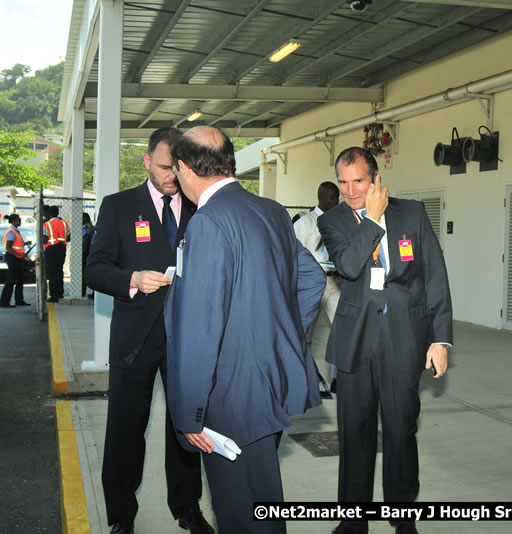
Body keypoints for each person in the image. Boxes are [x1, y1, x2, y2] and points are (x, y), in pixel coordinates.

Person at [165, 125, 325, 533]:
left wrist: (190, 414)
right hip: (269, 384)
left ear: (185, 169)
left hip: (229, 396)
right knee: (262, 500)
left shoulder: (208, 222)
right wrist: (279, 337)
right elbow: (312, 280)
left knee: (239, 512)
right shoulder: (271, 211)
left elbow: (201, 328)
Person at [318, 147, 453, 534]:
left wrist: (440, 339)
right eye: (343, 182)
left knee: (400, 430)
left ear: (376, 179)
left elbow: (434, 276)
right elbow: (349, 266)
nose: (350, 190)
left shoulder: (412, 213)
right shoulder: (333, 220)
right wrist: (372, 220)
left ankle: (403, 515)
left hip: (404, 338)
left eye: (358, 181)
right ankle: (353, 520)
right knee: (355, 433)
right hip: (356, 339)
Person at [85, 127, 213, 534]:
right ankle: (122, 514)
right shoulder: (120, 206)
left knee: (185, 427)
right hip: (134, 339)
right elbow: (95, 269)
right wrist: (132, 278)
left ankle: (187, 506)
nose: (171, 176)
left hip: (186, 338)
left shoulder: (199, 207)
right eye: (163, 167)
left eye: (177, 167)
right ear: (146, 161)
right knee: (125, 429)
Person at [293, 181, 342, 391]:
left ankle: (338, 378)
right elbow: (293, 255)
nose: (335, 202)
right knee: (305, 333)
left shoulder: (339, 222)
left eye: (337, 198)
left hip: (335, 282)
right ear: (321, 197)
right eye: (332, 197)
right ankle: (301, 378)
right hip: (312, 284)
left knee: (341, 330)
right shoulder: (305, 223)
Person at [1, 214, 32, 308]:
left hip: (17, 258)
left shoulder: (16, 231)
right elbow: (9, 247)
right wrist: (19, 255)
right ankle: (4, 301)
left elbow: (16, 244)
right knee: (11, 279)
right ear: (14, 221)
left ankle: (19, 300)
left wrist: (25, 243)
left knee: (20, 278)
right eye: (19, 220)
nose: (20, 222)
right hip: (13, 257)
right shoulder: (11, 232)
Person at [43, 204, 70, 302]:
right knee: (59, 270)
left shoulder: (47, 224)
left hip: (51, 249)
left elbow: (45, 239)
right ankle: (60, 293)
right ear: (58, 213)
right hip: (62, 248)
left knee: (51, 272)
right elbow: (69, 237)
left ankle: (54, 295)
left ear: (49, 214)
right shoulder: (64, 223)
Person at [81, 212, 96, 297]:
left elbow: (86, 241)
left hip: (87, 252)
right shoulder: (87, 227)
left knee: (84, 272)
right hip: (89, 252)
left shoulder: (87, 228)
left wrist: (81, 253)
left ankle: (82, 291)